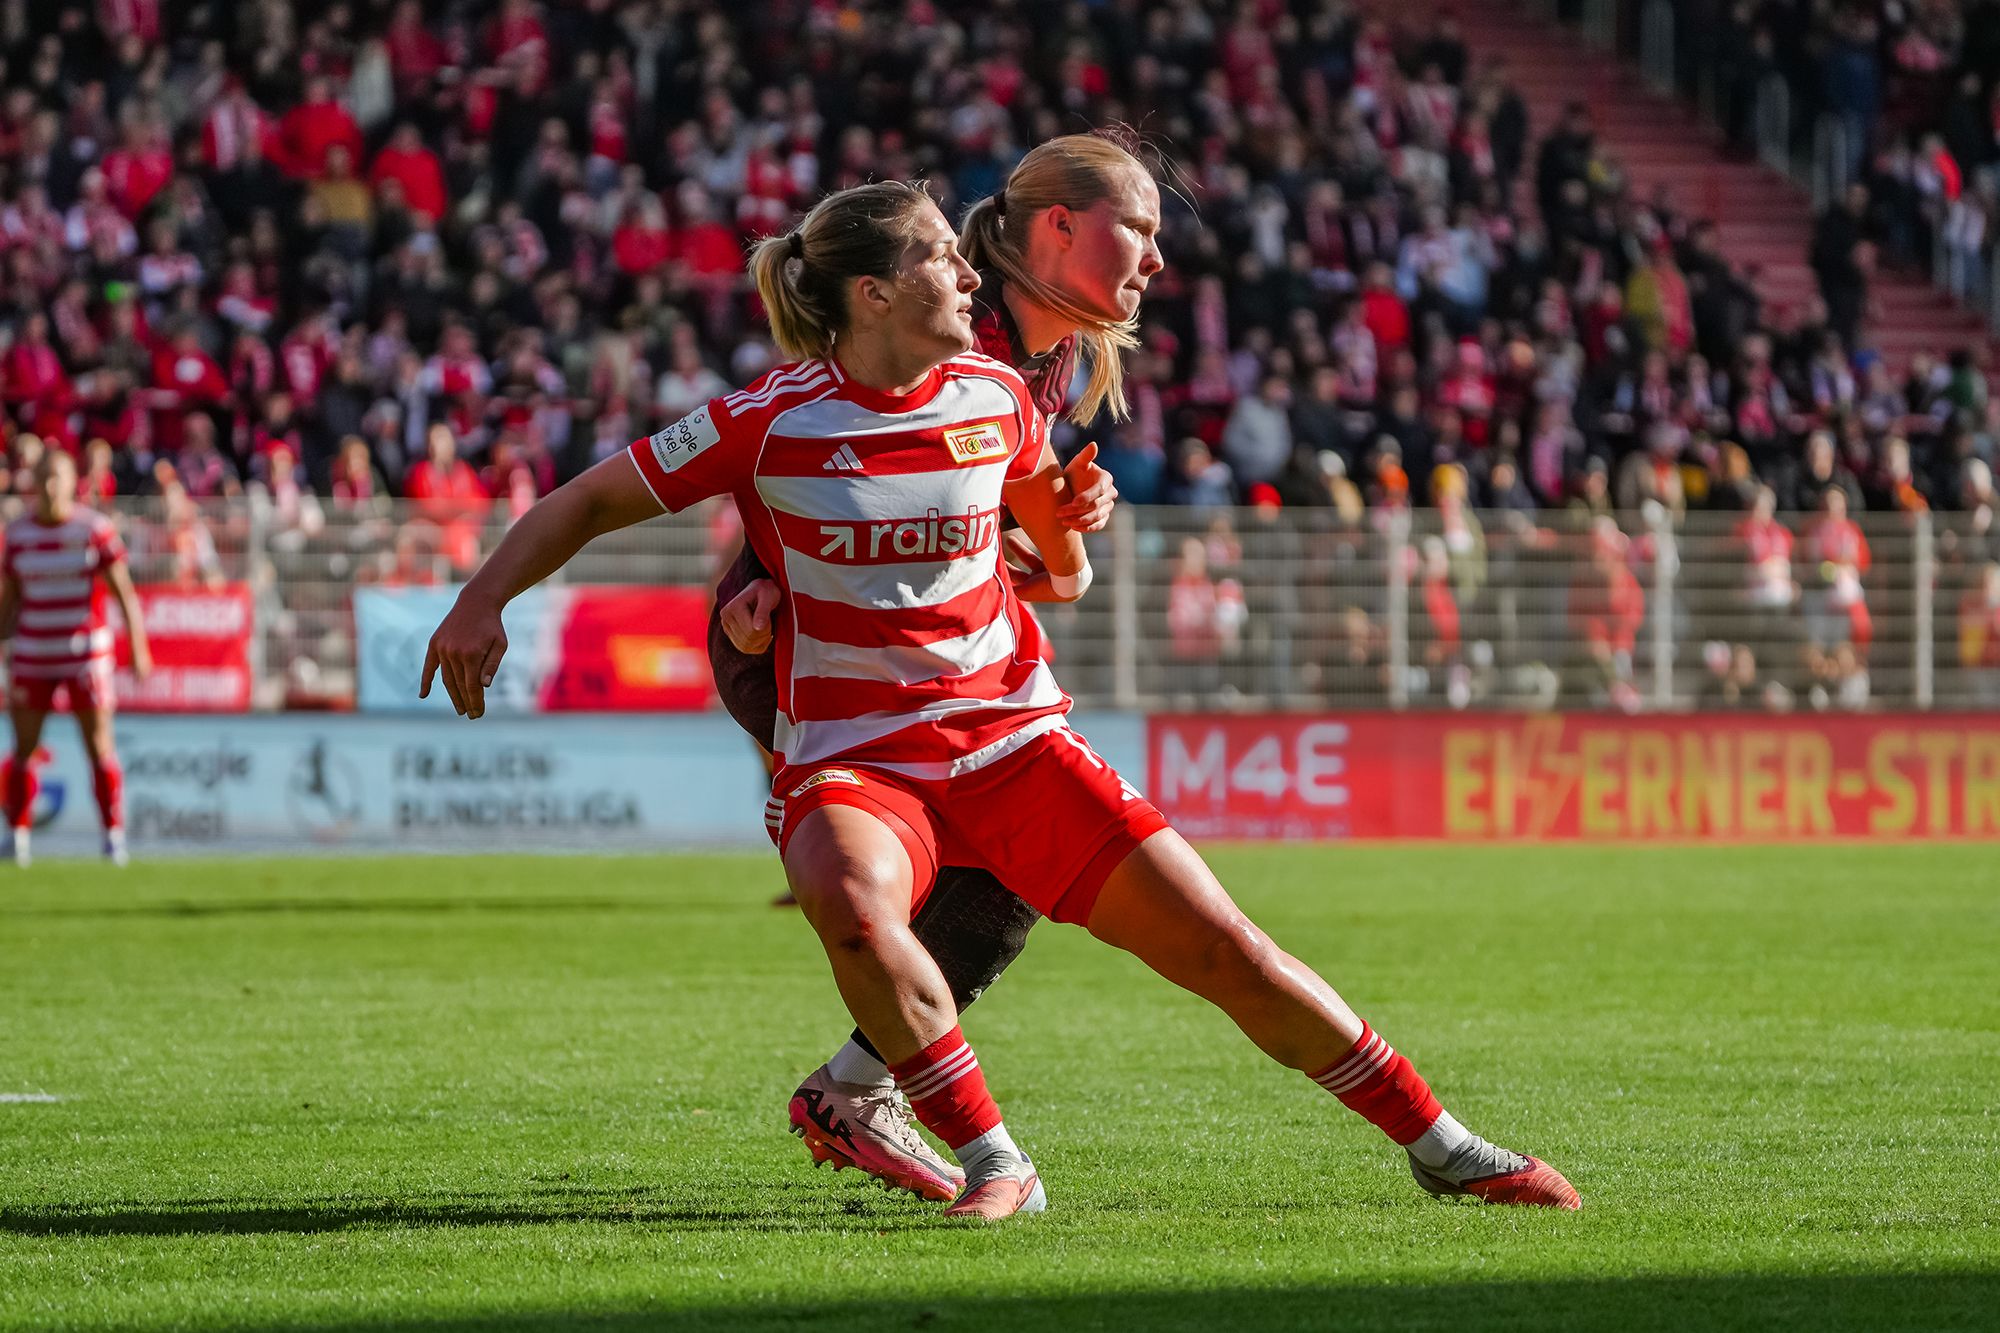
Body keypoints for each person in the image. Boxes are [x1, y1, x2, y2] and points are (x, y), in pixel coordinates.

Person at [424, 181, 1579, 1221]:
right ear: (875, 292)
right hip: (856, 758)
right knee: (850, 903)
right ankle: (997, 1163)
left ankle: (1446, 1147)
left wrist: (1068, 527)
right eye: (941, 256)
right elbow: (585, 501)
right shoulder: (766, 420)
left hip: (1014, 740)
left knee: (1225, 950)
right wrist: (482, 600)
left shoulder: (997, 397)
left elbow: (1053, 566)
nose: (967, 276)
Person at [713, 132, 1149, 1202]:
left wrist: (1059, 519)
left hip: (891, 649)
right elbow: (824, 453)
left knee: (1003, 870)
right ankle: (873, 1090)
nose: (1152, 257)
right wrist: (758, 583)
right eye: (1135, 229)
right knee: (994, 864)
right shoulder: (962, 333)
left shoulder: (1049, 359)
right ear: (1058, 229)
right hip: (799, 642)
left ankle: (864, 1081)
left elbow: (986, 532)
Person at [0, 451, 152, 866]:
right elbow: (9, 600)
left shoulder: (94, 529)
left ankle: (112, 837)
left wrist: (138, 647)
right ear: (33, 482)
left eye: (58, 478)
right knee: (24, 747)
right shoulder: (18, 535)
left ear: (73, 482)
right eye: (43, 478)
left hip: (85, 654)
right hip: (33, 653)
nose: (50, 487)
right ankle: (18, 836)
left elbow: (123, 591)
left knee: (99, 745)